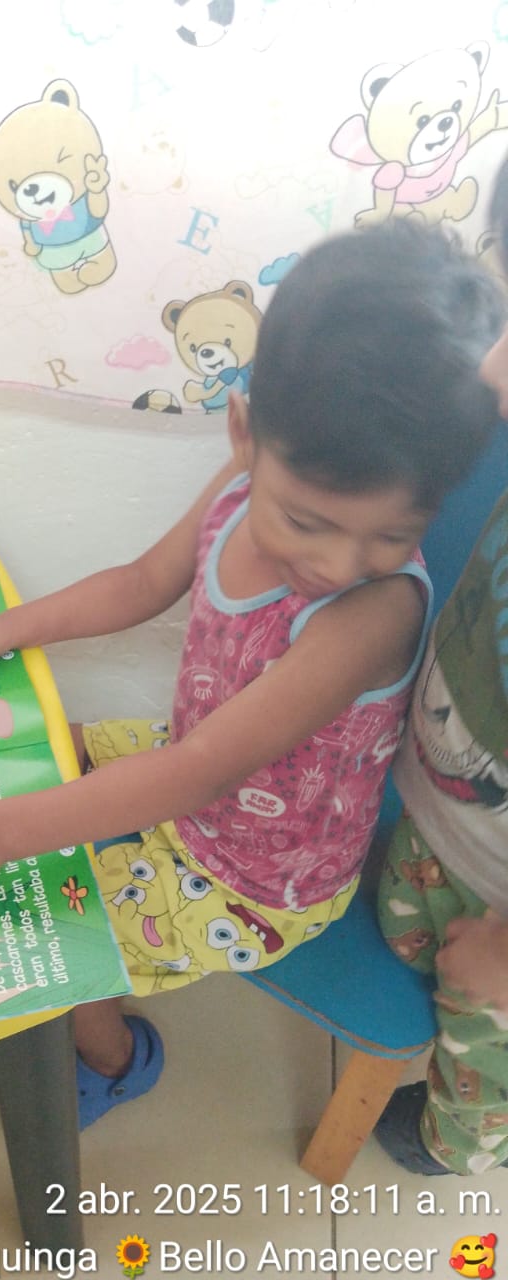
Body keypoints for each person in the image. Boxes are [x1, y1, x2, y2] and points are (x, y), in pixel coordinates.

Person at [0, 221, 505, 1129]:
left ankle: (113, 1060)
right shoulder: (237, 487)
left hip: (256, 874)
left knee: (48, 932)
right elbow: (140, 582)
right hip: (192, 761)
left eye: (393, 533)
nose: (340, 562)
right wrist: (6, 628)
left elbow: (197, 775)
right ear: (245, 435)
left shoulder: (372, 612)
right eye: (307, 522)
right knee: (37, 747)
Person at [374, 159, 508, 1177]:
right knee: (411, 945)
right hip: (437, 821)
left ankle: (454, 1144)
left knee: (477, 1079)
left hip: (500, 929)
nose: (495, 367)